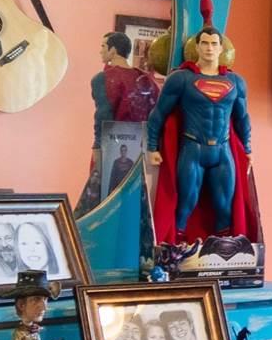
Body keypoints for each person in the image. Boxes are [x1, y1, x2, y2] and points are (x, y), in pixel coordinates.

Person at [151, 25, 252, 237]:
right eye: (204, 43)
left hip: (222, 151)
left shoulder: (235, 82)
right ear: (196, 47)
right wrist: (152, 147)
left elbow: (242, 118)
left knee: (224, 208)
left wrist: (248, 148)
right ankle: (176, 250)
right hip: (193, 149)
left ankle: (223, 250)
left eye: (214, 44)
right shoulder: (181, 78)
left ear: (221, 48)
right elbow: (159, 113)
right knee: (186, 204)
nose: (209, 48)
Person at [81, 30, 159, 211]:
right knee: (132, 198)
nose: (100, 50)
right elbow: (154, 113)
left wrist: (97, 146)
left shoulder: (102, 78)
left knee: (102, 198)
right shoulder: (146, 79)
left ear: (113, 50)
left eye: (103, 46)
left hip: (111, 144)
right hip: (140, 146)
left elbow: (102, 116)